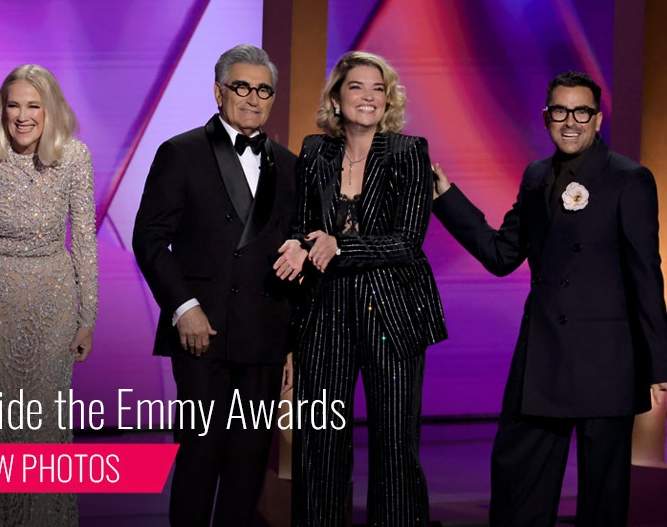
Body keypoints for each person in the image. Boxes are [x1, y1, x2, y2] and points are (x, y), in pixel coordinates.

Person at [432, 70, 667, 526]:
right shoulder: (536, 175)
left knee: (603, 501)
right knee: (520, 490)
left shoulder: (629, 178)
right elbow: (502, 254)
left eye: (582, 112)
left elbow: (646, 273)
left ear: (598, 119)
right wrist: (446, 197)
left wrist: (659, 363)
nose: (571, 122)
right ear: (546, 117)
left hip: (606, 363)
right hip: (542, 359)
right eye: (560, 111)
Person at [274, 51, 448, 526]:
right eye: (356, 87)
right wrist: (297, 241)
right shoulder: (314, 151)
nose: (368, 97)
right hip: (325, 315)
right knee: (320, 448)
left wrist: (338, 247)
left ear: (388, 99)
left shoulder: (409, 151)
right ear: (336, 96)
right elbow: (304, 225)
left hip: (393, 313)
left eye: (378, 88)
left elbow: (407, 241)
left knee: (395, 449)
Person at [132, 44, 297, 527]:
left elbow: (294, 254)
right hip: (202, 334)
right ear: (219, 92)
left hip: (265, 336)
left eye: (263, 89)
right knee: (201, 455)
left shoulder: (289, 165)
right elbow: (149, 238)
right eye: (241, 87)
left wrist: (291, 343)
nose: (252, 98)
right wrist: (184, 306)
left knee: (249, 464)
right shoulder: (180, 152)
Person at [0, 64, 98, 526]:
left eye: (33, 105)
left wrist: (87, 316)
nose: (23, 115)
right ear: (2, 109)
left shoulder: (74, 158)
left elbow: (85, 241)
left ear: (50, 109)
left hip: (53, 304)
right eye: (14, 104)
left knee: (44, 426)